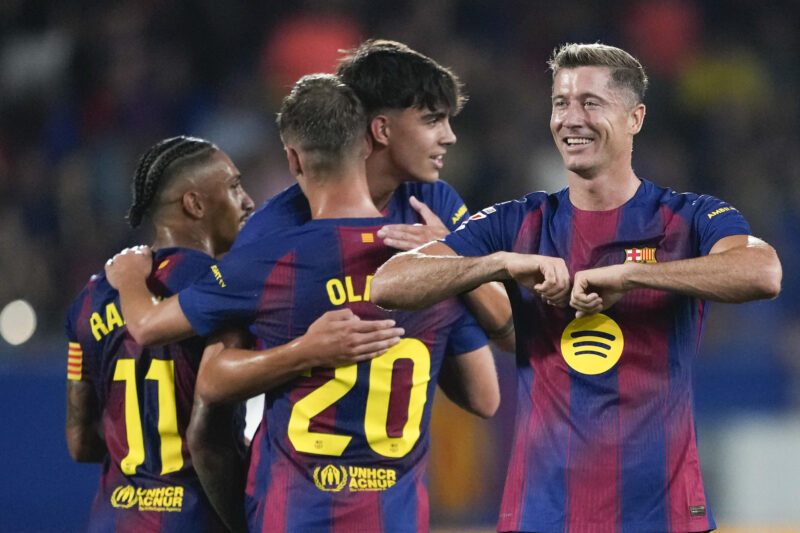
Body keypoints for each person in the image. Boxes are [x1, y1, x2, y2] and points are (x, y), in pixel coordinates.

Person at [371, 42, 783, 533]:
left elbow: (762, 272)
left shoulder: (691, 217)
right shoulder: (517, 222)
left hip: (664, 515)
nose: (571, 118)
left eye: (591, 102)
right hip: (542, 514)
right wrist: (496, 263)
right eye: (560, 103)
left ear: (635, 118)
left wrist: (631, 275)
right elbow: (389, 283)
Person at [105, 74, 499, 533]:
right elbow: (485, 396)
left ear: (292, 158)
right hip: (396, 520)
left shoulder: (272, 258)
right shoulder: (432, 259)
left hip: (291, 517)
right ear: (369, 145)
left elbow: (153, 331)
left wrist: (129, 277)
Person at [236, 39, 514, 352]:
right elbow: (215, 375)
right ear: (381, 130)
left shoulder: (432, 202)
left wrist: (452, 256)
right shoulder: (276, 228)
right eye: (432, 120)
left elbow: (512, 336)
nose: (450, 137)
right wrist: (300, 353)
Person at [65, 135, 257, 532]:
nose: (248, 201)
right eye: (235, 186)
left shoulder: (89, 298)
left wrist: (142, 460)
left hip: (112, 519)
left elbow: (80, 442)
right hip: (195, 518)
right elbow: (209, 441)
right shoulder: (222, 288)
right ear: (195, 204)